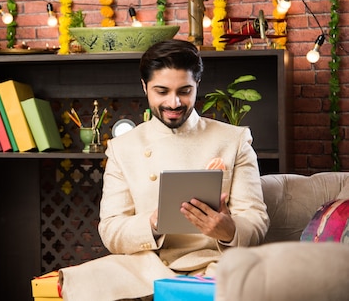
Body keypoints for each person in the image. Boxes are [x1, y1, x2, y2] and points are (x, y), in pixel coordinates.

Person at [58, 39, 270, 300]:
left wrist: (228, 229)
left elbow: (257, 220)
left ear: (197, 86)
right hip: (146, 265)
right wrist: (153, 223)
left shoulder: (234, 139)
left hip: (215, 264)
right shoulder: (122, 147)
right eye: (162, 91)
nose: (174, 102)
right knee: (81, 281)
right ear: (145, 86)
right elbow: (111, 230)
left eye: (184, 91)